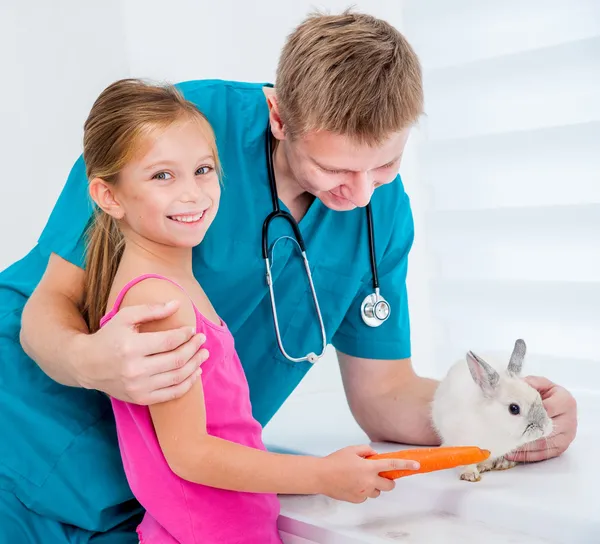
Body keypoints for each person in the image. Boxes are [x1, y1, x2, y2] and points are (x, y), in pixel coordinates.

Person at [0, 9, 576, 544]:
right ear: (279, 115)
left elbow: (384, 396)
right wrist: (89, 361)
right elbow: (51, 302)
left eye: (386, 163)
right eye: (333, 167)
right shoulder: (179, 140)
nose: (360, 194)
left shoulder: (382, 212)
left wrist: (503, 416)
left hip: (163, 495)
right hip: (28, 438)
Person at [79, 77, 418, 544]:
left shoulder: (176, 284)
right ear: (109, 197)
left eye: (203, 170)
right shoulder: (159, 303)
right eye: (162, 176)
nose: (193, 194)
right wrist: (321, 476)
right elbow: (190, 455)